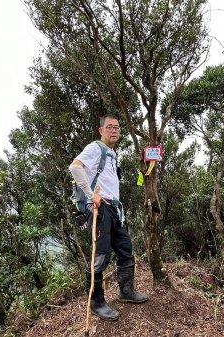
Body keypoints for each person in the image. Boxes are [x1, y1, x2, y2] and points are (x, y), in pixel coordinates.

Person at [68, 114, 148, 321]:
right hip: (100, 209)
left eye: (117, 127)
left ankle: (126, 291)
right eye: (110, 127)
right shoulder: (95, 148)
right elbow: (75, 167)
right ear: (101, 130)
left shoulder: (112, 152)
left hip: (115, 209)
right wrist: (91, 195)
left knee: (125, 250)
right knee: (101, 256)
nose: (114, 130)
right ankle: (96, 303)